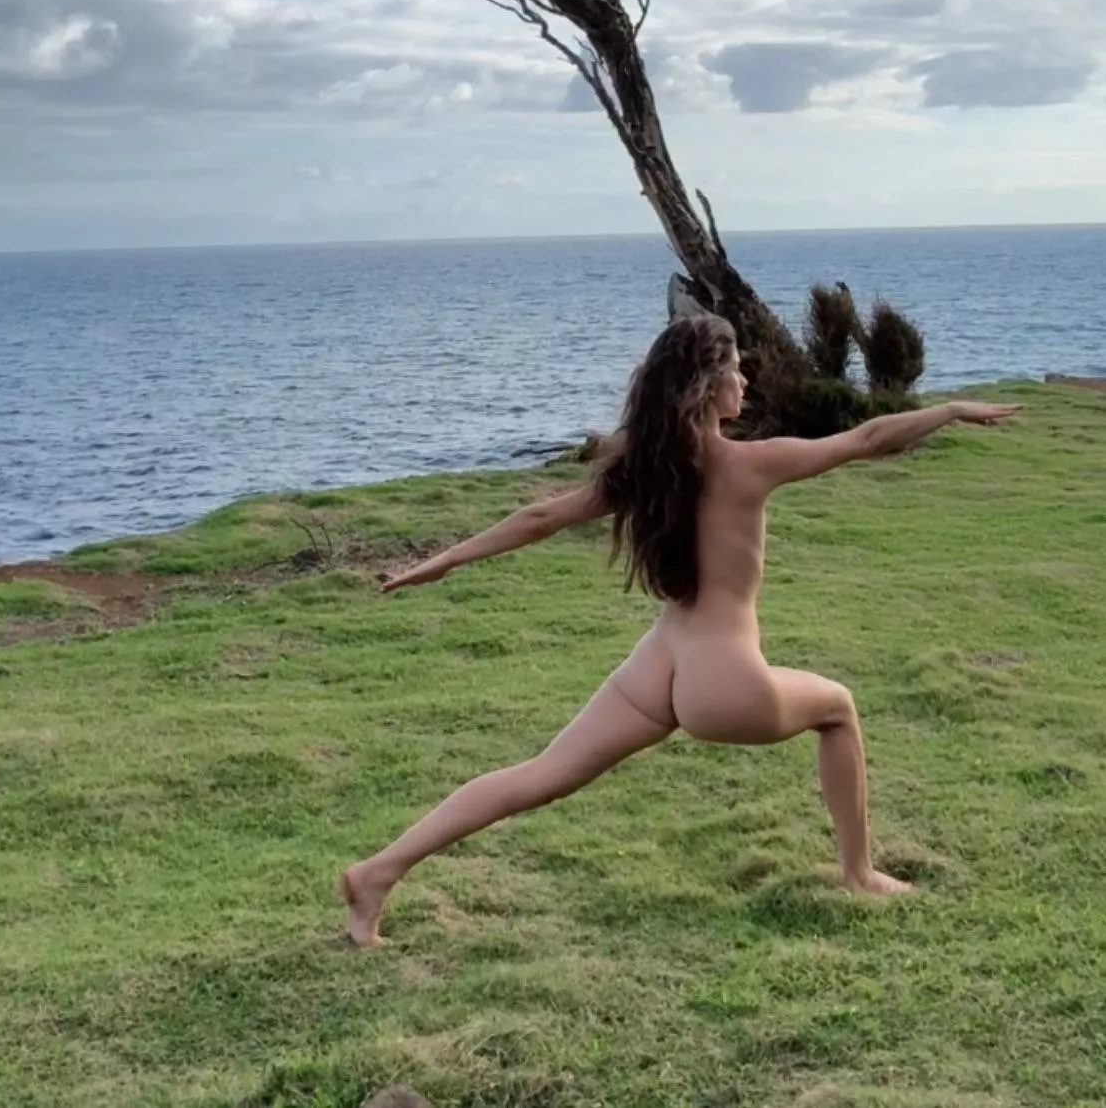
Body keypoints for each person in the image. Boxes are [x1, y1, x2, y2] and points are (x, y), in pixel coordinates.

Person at [341, 315, 1021, 946]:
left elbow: (538, 519)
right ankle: (858, 873)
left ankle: (376, 872)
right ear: (707, 385)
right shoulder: (747, 465)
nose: (745, 381)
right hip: (720, 675)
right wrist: (951, 408)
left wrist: (440, 563)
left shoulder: (645, 466)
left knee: (540, 774)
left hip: (659, 660)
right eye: (735, 370)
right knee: (838, 710)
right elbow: (868, 440)